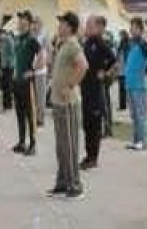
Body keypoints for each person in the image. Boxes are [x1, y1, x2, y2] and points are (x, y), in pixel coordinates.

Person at [49, 10, 89, 199]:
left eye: (62, 23)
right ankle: (63, 181)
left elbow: (84, 66)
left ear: (69, 27)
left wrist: (71, 85)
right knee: (61, 145)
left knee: (70, 144)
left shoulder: (73, 44)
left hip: (68, 103)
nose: (59, 26)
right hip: (58, 102)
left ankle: (75, 184)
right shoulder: (62, 44)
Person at [80, 14, 116, 170]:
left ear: (96, 27)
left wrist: (106, 72)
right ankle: (88, 155)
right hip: (85, 88)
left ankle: (93, 157)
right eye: (86, 25)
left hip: (96, 89)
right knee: (87, 124)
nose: (86, 27)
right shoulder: (87, 43)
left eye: (89, 25)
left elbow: (114, 60)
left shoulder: (101, 43)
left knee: (94, 125)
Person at [11, 10, 41, 156]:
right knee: (19, 112)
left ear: (29, 24)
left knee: (30, 113)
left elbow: (43, 55)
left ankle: (33, 143)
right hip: (17, 81)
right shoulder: (17, 38)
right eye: (20, 21)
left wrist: (34, 71)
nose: (21, 24)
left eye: (24, 21)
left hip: (27, 82)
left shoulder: (31, 39)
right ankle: (21, 141)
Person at [124, 17, 147, 151]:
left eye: (133, 27)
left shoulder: (144, 43)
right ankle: (136, 140)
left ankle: (142, 141)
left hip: (139, 84)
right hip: (130, 83)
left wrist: (146, 72)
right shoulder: (132, 43)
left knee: (140, 113)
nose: (131, 30)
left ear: (139, 28)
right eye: (130, 27)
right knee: (134, 114)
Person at [32, 16, 49, 128]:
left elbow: (47, 52)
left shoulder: (44, 37)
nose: (34, 25)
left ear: (41, 24)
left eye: (37, 23)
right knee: (34, 96)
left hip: (41, 71)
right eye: (34, 23)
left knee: (41, 95)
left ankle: (41, 118)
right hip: (32, 70)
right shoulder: (32, 36)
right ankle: (34, 116)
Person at [0, 16, 16, 112]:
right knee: (4, 86)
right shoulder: (2, 41)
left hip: (9, 67)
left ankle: (8, 106)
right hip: (4, 66)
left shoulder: (8, 39)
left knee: (7, 86)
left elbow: (12, 53)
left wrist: (7, 64)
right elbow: (1, 54)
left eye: (0, 35)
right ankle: (5, 105)